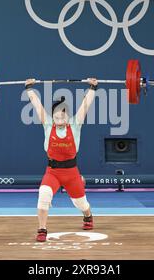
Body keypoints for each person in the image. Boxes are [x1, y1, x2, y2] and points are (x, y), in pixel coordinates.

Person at [25, 78, 98, 242]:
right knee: (43, 194)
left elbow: (85, 105)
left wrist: (93, 87)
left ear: (67, 115)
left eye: (61, 117)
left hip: (72, 173)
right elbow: (37, 105)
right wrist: (29, 88)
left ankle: (88, 216)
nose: (58, 120)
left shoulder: (75, 123)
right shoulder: (47, 123)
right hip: (52, 172)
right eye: (56, 117)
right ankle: (42, 229)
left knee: (81, 204)